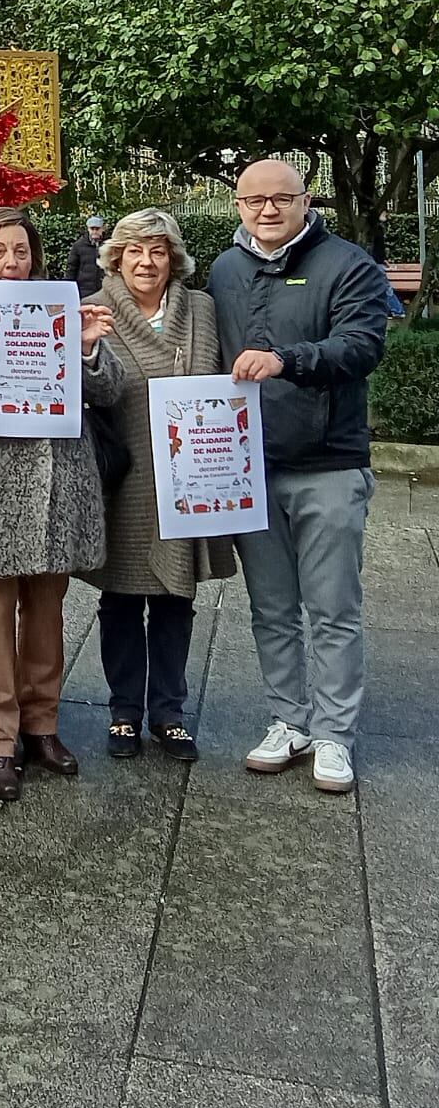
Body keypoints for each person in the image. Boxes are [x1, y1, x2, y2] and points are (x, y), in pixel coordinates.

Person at [0, 206, 123, 802]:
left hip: (58, 481)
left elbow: (112, 388)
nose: (12, 263)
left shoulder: (62, 308)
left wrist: (87, 350)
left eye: (20, 251)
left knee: (46, 613)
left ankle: (42, 726)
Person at [210, 159, 389, 796]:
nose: (266, 210)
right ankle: (289, 719)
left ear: (304, 201)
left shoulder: (347, 264)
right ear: (236, 204)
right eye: (252, 200)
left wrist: (288, 360)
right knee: (272, 608)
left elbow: (363, 346)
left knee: (334, 607)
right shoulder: (225, 270)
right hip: (248, 465)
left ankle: (335, 734)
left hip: (329, 463)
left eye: (280, 198)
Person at [86, 209, 235, 762]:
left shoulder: (201, 308)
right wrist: (87, 351)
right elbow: (93, 390)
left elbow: (218, 377)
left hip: (189, 472)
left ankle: (169, 712)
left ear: (174, 258)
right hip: (126, 475)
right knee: (121, 597)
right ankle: (124, 709)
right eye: (134, 252)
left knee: (176, 598)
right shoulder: (93, 310)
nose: (147, 262)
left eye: (158, 251)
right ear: (115, 257)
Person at [66, 216, 107, 296]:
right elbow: (71, 269)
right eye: (92, 229)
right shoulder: (78, 246)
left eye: (97, 229)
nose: (95, 231)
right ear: (88, 229)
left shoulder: (108, 245)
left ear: (102, 229)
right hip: (83, 291)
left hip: (104, 291)